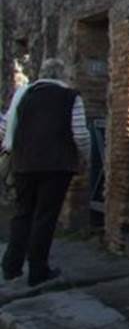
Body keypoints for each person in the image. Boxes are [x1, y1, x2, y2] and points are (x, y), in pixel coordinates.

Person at [0, 58, 90, 286]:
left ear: (42, 74)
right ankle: (37, 270)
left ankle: (11, 266)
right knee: (45, 216)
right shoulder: (70, 97)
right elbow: (79, 133)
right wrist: (86, 157)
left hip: (23, 164)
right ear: (62, 75)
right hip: (57, 165)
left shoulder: (24, 95)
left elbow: (4, 126)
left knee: (23, 213)